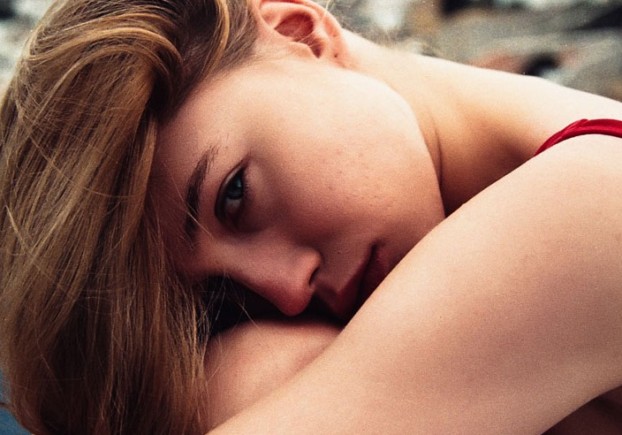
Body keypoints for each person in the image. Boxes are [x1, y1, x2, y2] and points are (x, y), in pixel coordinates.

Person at [2, 0, 622, 433]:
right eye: (221, 301)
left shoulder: (590, 202)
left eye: (235, 196)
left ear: (299, 33)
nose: (286, 291)